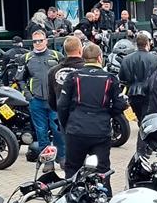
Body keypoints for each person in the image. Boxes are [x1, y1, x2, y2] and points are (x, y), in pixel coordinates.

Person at [57, 44, 127, 179]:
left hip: (76, 129)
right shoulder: (110, 78)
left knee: (72, 168)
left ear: (83, 58)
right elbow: (120, 105)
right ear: (100, 58)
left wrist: (67, 124)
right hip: (100, 130)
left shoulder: (72, 77)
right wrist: (107, 114)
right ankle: (104, 197)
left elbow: (62, 105)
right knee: (102, 171)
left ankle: (72, 197)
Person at [21, 30, 64, 163]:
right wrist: (28, 96)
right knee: (41, 132)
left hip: (54, 101)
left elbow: (65, 76)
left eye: (40, 40)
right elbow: (20, 79)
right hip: (37, 101)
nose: (38, 43)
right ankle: (47, 161)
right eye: (35, 41)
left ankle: (62, 157)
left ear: (46, 40)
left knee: (57, 130)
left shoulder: (57, 55)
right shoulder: (27, 58)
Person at [119, 32, 157, 125]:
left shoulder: (127, 59)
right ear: (147, 43)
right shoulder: (155, 59)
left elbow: (122, 77)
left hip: (133, 93)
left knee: (140, 117)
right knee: (147, 117)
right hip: (149, 92)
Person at [47, 36, 84, 112]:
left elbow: (52, 100)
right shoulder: (87, 70)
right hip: (83, 116)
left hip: (62, 115)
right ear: (80, 50)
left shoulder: (53, 71)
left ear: (65, 50)